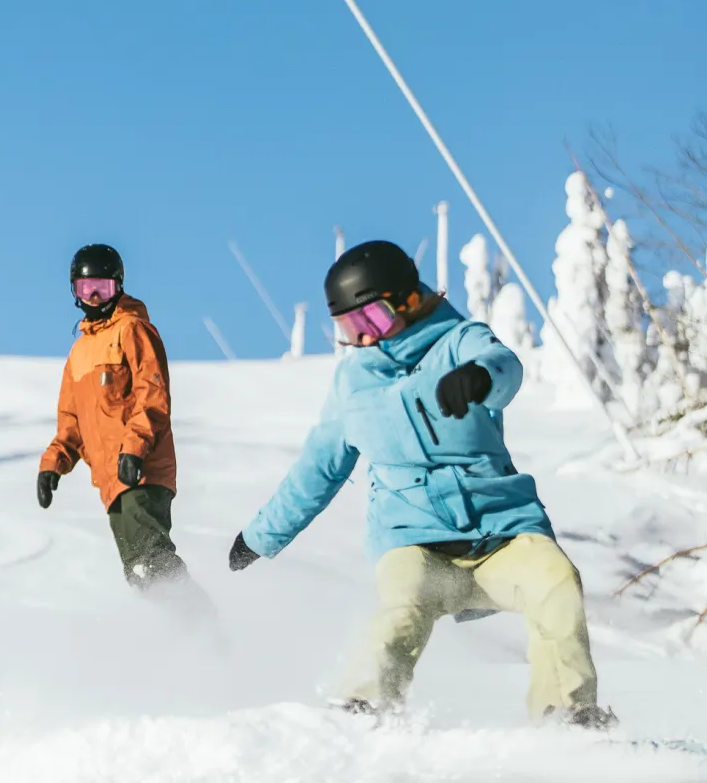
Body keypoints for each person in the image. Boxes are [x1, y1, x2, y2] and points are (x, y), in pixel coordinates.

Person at [227, 240, 614, 728]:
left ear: (408, 299)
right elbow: (318, 468)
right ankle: (361, 711)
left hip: (502, 533)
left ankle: (568, 715)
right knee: (403, 605)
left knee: (556, 584)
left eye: (372, 321)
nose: (364, 339)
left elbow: (506, 367)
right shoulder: (353, 384)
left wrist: (477, 377)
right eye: (350, 329)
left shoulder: (460, 341)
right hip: (414, 540)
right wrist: (261, 536)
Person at [37, 244, 193, 591]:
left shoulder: (133, 330)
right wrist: (53, 463)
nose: (94, 298)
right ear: (74, 291)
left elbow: (152, 395)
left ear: (118, 286)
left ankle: (204, 628)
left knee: (149, 561)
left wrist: (134, 448)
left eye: (102, 289)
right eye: (85, 290)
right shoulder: (79, 352)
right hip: (112, 483)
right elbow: (71, 421)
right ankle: (180, 635)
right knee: (137, 572)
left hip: (143, 470)